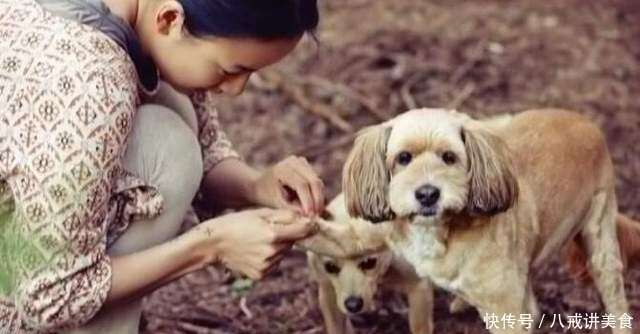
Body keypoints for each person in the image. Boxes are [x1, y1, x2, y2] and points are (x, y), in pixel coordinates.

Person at [0, 0, 324, 332]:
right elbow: (52, 295)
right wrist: (209, 246)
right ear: (169, 18)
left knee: (172, 104)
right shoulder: (90, 83)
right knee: (166, 145)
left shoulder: (142, 19)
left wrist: (257, 186)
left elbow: (206, 142)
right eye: (231, 70)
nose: (237, 90)